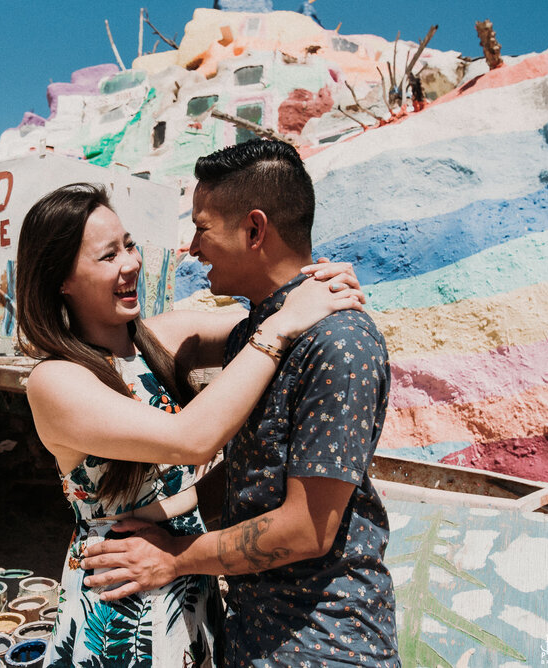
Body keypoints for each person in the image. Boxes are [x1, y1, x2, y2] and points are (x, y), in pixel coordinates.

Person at [16, 181, 365, 668]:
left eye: (130, 245)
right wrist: (279, 327)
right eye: (108, 255)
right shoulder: (56, 381)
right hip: (124, 592)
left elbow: (279, 314)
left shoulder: (159, 338)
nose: (131, 263)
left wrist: (323, 286)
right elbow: (192, 440)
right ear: (61, 279)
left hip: (187, 568)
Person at [81, 140, 400, 667]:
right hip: (255, 629)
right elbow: (150, 339)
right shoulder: (260, 330)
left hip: (323, 642)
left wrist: (175, 557)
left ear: (254, 230)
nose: (192, 248)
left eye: (203, 229)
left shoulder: (338, 343)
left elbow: (308, 529)